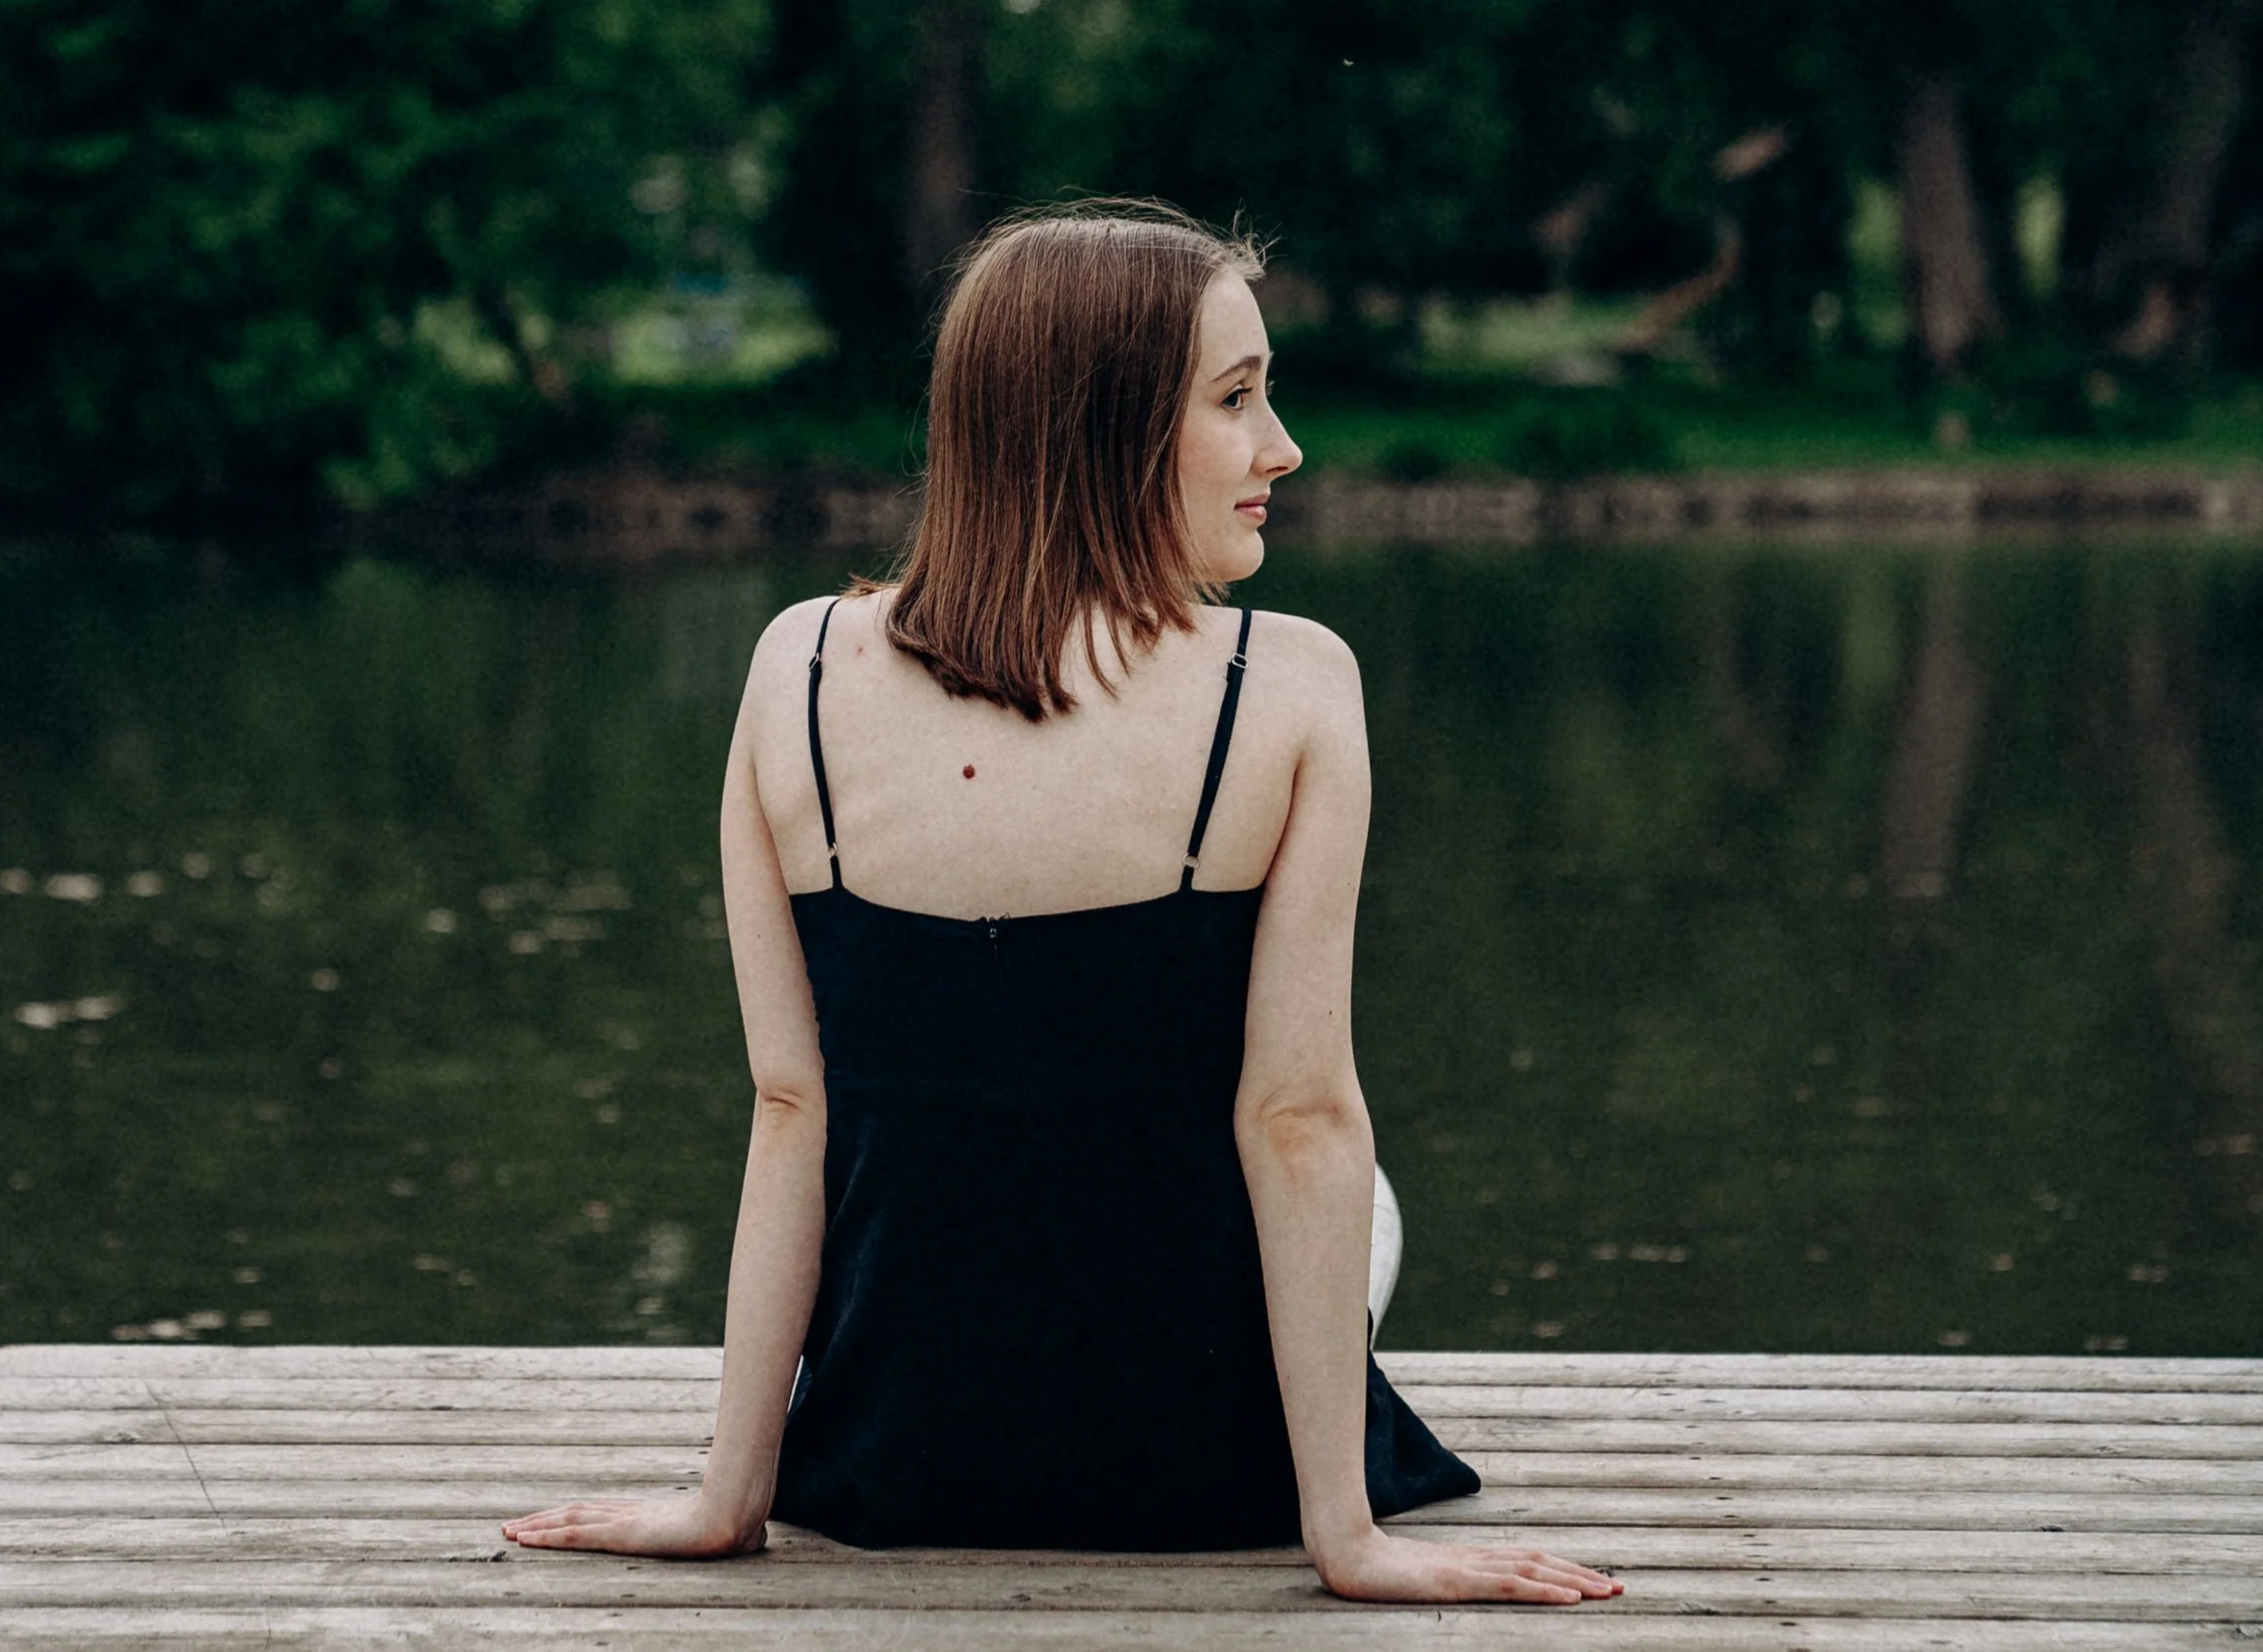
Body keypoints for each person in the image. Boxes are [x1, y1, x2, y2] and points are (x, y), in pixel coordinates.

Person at [505, 201, 1623, 1606]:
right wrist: (1349, 1541)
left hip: (893, 1462)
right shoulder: (1287, 683)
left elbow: (793, 1108)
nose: (1283, 447)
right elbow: (1296, 1120)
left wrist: (730, 1495)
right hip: (1212, 1468)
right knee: (1355, 1179)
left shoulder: (796, 668)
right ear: (1104, 427)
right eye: (1236, 399)